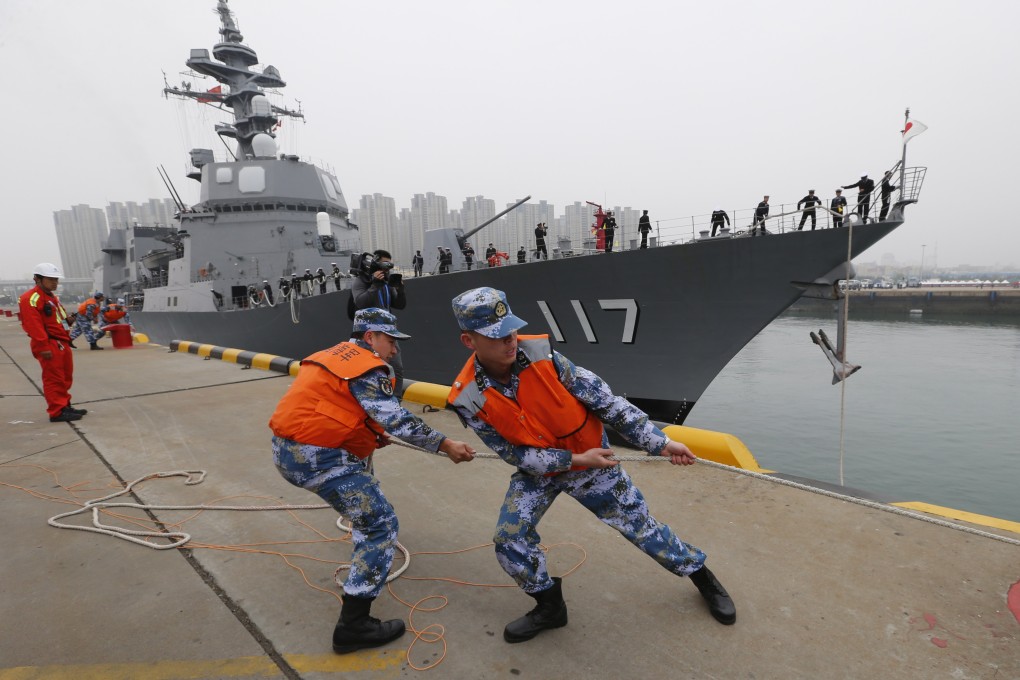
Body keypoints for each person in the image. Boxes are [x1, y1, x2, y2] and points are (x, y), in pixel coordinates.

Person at [446, 287, 736, 644]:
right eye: (497, 336)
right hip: (540, 469)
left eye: (512, 330)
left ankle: (701, 576)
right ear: (468, 340)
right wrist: (571, 461)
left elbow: (608, 403)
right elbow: (512, 453)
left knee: (641, 527)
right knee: (509, 538)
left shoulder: (546, 359)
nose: (510, 341)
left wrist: (660, 443)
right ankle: (549, 606)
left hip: (593, 462)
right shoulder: (466, 396)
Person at [269, 308, 476, 654]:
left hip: (286, 451)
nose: (394, 349)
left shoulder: (329, 356)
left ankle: (361, 530)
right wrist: (445, 444)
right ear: (370, 338)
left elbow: (332, 405)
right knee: (380, 525)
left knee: (367, 496)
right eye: (390, 340)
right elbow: (397, 419)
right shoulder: (369, 367)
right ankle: (353, 626)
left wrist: (370, 435)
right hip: (318, 459)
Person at [19, 263, 87, 423]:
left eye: (56, 279)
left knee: (65, 377)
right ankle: (56, 411)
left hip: (61, 342)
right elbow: (33, 325)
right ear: (37, 279)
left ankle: (64, 405)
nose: (54, 283)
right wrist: (43, 346)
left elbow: (57, 320)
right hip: (48, 343)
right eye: (50, 279)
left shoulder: (52, 298)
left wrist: (68, 322)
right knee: (53, 378)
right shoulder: (30, 299)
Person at [352, 249, 407, 393]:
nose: (387, 268)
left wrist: (400, 289)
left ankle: (395, 402)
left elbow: (400, 305)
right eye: (385, 263)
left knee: (396, 369)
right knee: (368, 369)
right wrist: (374, 285)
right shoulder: (361, 281)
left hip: (388, 331)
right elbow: (360, 303)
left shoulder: (387, 282)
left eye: (389, 264)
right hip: (369, 334)